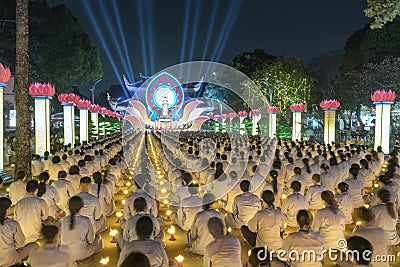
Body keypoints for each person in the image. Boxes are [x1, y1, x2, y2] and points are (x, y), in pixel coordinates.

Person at [59, 196, 103, 262]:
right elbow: (91, 240)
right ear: (81, 207)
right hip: (81, 254)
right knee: (98, 237)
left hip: (64, 254)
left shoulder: (62, 220)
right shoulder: (86, 220)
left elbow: (59, 238)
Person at [0, 197, 39, 267]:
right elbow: (20, 243)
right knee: (35, 245)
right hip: (11, 261)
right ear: (8, 209)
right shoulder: (12, 224)